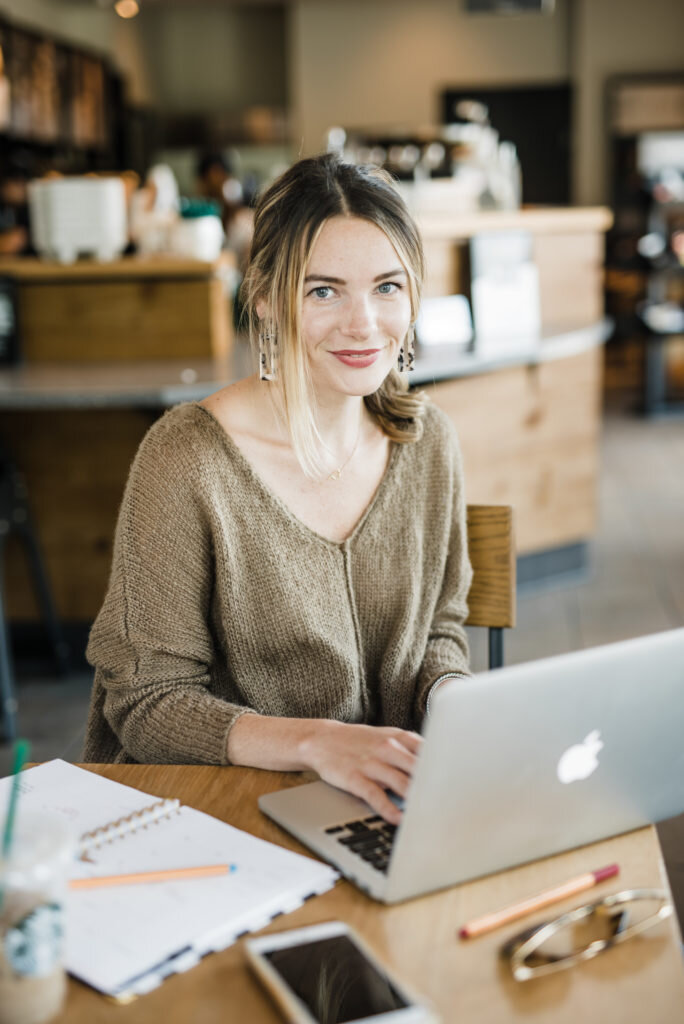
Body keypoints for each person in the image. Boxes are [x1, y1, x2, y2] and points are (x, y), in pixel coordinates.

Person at [83, 154, 472, 824]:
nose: (363, 324)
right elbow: (147, 702)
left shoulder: (427, 441)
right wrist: (319, 743)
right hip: (216, 811)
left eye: (387, 287)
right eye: (324, 291)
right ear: (264, 298)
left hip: (383, 803)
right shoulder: (186, 460)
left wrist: (456, 704)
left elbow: (441, 626)